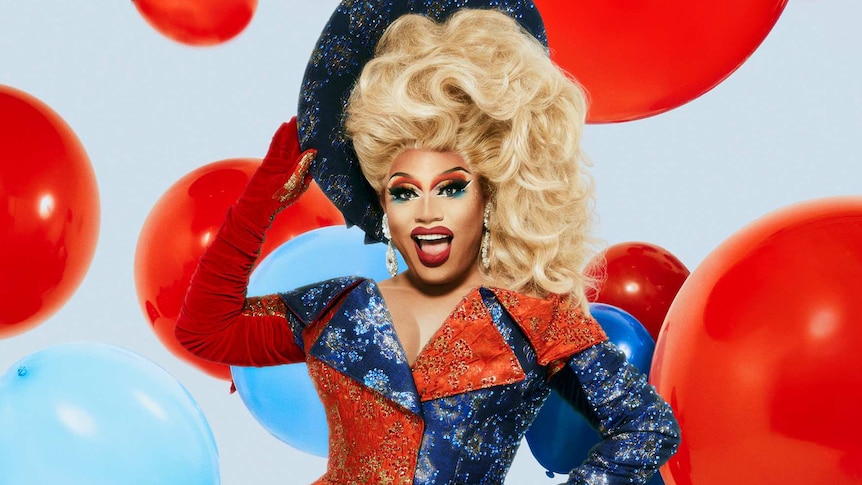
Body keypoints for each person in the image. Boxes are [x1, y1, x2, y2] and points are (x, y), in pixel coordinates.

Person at [176, 5, 680, 485]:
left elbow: (648, 427)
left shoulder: (537, 320)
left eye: (452, 187)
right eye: (403, 191)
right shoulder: (340, 307)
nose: (426, 211)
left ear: (490, 195)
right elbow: (204, 331)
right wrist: (264, 195)